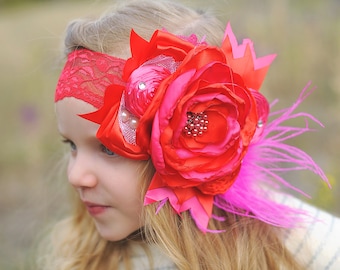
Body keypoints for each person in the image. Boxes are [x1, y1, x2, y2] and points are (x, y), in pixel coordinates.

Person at [38, 0, 340, 269]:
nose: (75, 175)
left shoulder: (285, 242)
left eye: (109, 149)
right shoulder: (86, 255)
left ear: (194, 151)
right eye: (71, 145)